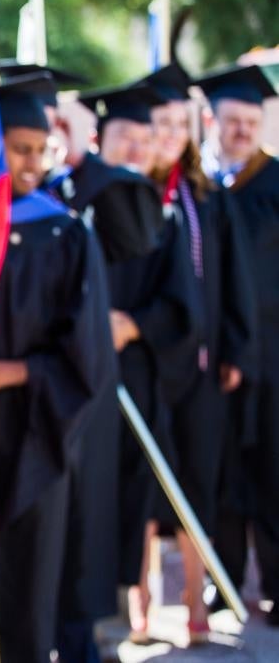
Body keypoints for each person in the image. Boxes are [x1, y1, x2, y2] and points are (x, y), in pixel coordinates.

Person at [0, 73, 116, 662]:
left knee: (27, 581)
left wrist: (10, 373)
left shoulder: (65, 232)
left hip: (35, 434)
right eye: (17, 149)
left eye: (39, 149)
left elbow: (89, 355)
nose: (29, 162)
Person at [78, 81, 200, 641]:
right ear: (102, 137)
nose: (136, 147)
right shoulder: (69, 205)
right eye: (126, 135)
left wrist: (131, 325)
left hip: (131, 378)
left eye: (145, 138)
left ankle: (116, 617)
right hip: (72, 380)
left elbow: (182, 305)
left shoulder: (163, 220)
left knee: (127, 499)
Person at [141, 63, 257, 641]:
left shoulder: (207, 197)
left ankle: (193, 605)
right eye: (158, 124)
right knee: (140, 484)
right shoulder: (129, 193)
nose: (169, 135)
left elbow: (235, 279)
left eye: (176, 124)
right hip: (145, 365)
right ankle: (138, 611)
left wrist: (237, 346)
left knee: (197, 481)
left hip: (204, 364)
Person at [194, 63, 279, 625]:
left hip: (274, 354)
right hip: (218, 354)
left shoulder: (276, 182)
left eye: (252, 121)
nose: (242, 131)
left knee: (273, 468)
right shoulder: (197, 188)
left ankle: (276, 586)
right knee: (220, 470)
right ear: (213, 120)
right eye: (233, 121)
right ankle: (222, 581)